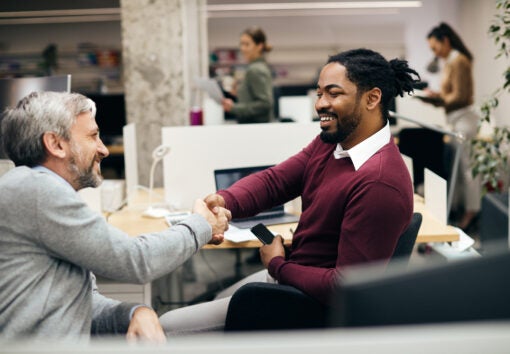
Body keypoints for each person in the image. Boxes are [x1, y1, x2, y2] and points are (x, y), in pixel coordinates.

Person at [159, 48, 420, 334]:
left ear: (372, 98)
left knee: (166, 327)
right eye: (319, 93)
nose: (320, 103)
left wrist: (279, 265)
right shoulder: (333, 144)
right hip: (294, 280)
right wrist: (225, 201)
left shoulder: (378, 183)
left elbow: (344, 287)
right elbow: (276, 181)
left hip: (307, 306)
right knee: (220, 298)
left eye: (334, 93)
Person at [0, 91, 231, 341]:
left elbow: (80, 302)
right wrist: (201, 224)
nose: (104, 150)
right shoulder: (36, 190)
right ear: (55, 144)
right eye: (93, 136)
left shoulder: (34, 189)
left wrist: (133, 312)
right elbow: (135, 260)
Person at [423, 22, 481, 232]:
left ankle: (472, 211)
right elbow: (451, 94)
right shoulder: (450, 61)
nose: (434, 53)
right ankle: (462, 209)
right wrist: (435, 96)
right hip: (455, 119)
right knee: (457, 168)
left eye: (434, 47)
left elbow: (460, 96)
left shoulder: (459, 61)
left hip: (464, 119)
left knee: (468, 170)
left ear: (445, 41)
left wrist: (435, 100)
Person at [221, 26, 274, 123]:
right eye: (241, 44)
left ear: (259, 46)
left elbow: (265, 104)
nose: (242, 48)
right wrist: (241, 92)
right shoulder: (256, 67)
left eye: (247, 44)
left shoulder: (256, 70)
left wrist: (233, 108)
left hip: (255, 129)